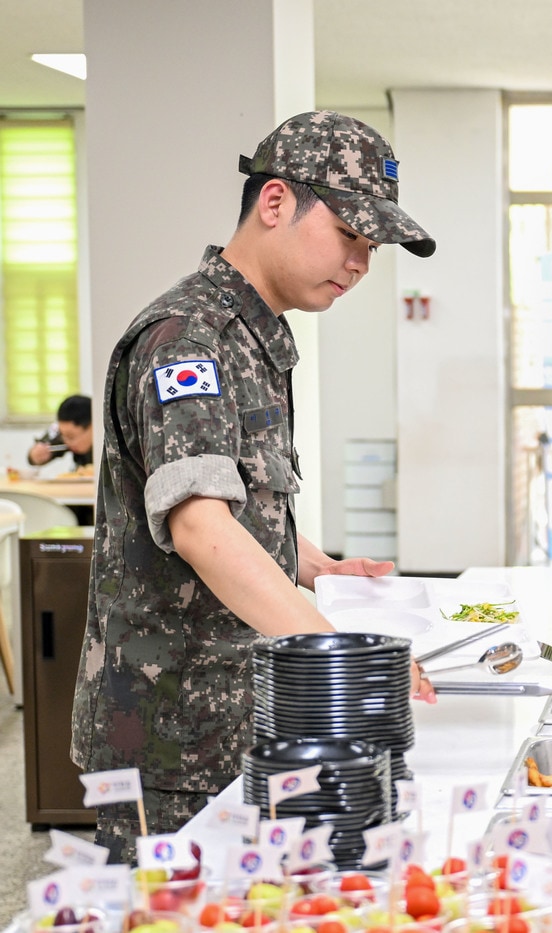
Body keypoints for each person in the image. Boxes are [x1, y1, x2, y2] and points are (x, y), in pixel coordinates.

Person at [70, 111, 438, 862]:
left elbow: (236, 503)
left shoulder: (250, 338)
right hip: (171, 741)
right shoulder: (188, 341)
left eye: (372, 245)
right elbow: (199, 527)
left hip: (236, 720)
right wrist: (344, 661)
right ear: (275, 202)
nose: (362, 262)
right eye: (350, 234)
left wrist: (311, 563)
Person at [27, 394, 94, 470]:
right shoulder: (64, 432)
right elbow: (42, 447)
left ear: (92, 426)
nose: (66, 441)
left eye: (71, 436)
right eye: (62, 435)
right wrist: (35, 455)